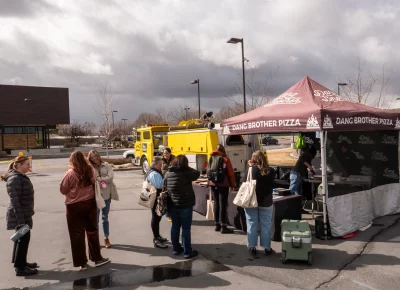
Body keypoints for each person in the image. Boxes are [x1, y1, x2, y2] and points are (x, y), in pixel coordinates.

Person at [60, 151, 110, 270]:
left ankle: (81, 262)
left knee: (76, 235)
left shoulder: (70, 173)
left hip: (74, 206)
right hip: (89, 203)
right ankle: (97, 258)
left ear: (72, 160)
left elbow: (63, 190)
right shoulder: (90, 170)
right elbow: (94, 183)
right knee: (92, 231)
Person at [2, 156, 37, 276]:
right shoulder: (15, 179)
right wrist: (21, 220)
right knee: (23, 239)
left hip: (23, 213)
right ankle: (20, 268)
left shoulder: (19, 177)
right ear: (19, 165)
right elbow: (15, 201)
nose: (29, 166)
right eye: (27, 164)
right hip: (19, 215)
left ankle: (20, 262)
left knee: (21, 239)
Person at [165, 155, 200, 258]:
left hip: (172, 204)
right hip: (185, 204)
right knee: (185, 228)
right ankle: (187, 252)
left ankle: (175, 249)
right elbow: (197, 173)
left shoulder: (168, 173)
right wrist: (185, 167)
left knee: (175, 226)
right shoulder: (186, 173)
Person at [246, 151, 276, 257]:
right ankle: (267, 248)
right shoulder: (271, 171)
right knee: (266, 225)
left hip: (252, 201)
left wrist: (251, 166)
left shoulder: (252, 169)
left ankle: (252, 246)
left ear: (253, 159)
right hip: (266, 201)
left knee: (251, 224)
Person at [87, 150, 119, 249]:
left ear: (98, 156)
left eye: (95, 156)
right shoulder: (90, 168)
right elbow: (90, 180)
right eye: (92, 157)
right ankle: (95, 240)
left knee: (105, 218)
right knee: (95, 220)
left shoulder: (106, 165)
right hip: (95, 196)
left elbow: (110, 178)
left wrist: (99, 180)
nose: (94, 158)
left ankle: (106, 238)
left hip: (106, 195)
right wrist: (102, 179)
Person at [208, 144, 236, 234]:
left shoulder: (211, 157)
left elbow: (208, 170)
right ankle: (223, 226)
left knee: (216, 203)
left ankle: (217, 225)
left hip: (213, 183)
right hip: (223, 184)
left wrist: (209, 182)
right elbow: (230, 173)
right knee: (222, 204)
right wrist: (232, 185)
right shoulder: (225, 159)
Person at [146, 156, 168, 249]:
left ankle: (157, 236)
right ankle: (156, 239)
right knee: (155, 218)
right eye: (160, 164)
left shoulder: (154, 171)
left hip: (155, 198)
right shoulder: (154, 173)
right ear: (155, 164)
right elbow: (159, 185)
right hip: (155, 198)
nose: (161, 166)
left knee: (157, 218)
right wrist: (166, 179)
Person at [161, 148, 175, 222]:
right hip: (164, 182)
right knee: (166, 199)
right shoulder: (161, 160)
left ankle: (173, 214)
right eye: (164, 153)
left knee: (172, 199)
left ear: (170, 153)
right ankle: (169, 215)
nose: (165, 154)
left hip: (172, 182)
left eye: (166, 153)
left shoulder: (174, 160)